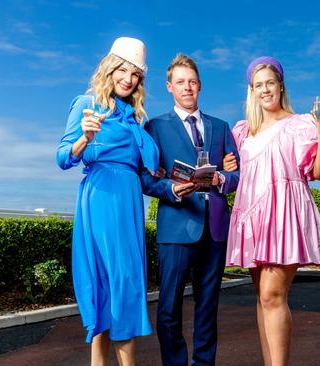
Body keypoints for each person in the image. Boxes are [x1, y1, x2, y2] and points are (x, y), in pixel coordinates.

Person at [225, 56, 320, 366]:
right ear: (251, 91)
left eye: (270, 83)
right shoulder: (242, 132)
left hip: (285, 216)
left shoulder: (300, 124)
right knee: (262, 299)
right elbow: (235, 174)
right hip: (252, 217)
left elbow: (318, 173)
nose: (265, 90)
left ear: (281, 87)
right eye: (258, 85)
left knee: (272, 296)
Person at [56, 37, 158, 366]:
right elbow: (62, 157)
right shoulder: (86, 103)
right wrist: (84, 138)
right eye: (124, 72)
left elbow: (146, 173)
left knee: (123, 281)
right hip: (100, 197)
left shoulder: (136, 117)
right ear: (110, 68)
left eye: (136, 76)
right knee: (110, 280)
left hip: (129, 200)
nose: (129, 80)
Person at [139, 53, 240, 366]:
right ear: (169, 86)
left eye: (192, 82)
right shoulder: (154, 127)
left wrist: (224, 177)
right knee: (168, 308)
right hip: (176, 224)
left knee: (207, 307)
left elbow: (239, 174)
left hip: (214, 227)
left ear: (200, 86)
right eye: (180, 82)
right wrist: (168, 188)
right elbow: (143, 176)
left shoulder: (221, 127)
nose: (187, 87)